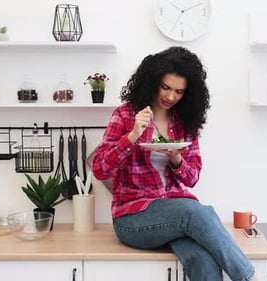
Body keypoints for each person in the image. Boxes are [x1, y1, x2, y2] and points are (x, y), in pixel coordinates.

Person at [92, 46, 254, 281]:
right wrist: (132, 136)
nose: (170, 97)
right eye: (165, 87)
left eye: (179, 91)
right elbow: (99, 169)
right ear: (153, 81)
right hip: (133, 219)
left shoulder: (185, 122)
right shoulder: (126, 115)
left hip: (175, 217)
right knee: (196, 212)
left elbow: (193, 177)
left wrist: (176, 158)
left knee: (202, 260)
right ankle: (250, 278)